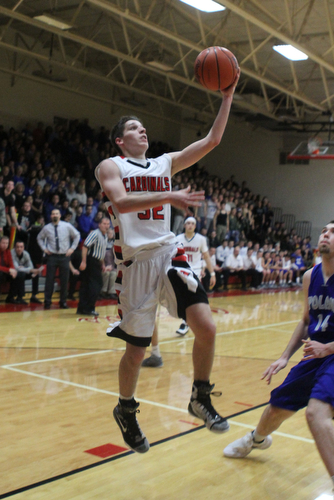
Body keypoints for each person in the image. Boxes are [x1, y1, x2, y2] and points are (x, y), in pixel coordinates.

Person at [95, 70, 239, 454]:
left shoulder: (164, 163)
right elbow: (121, 203)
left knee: (206, 326)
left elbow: (213, 140)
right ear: (120, 140)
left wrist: (227, 96)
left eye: (144, 128)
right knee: (136, 352)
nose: (143, 132)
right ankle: (126, 409)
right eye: (134, 129)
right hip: (136, 265)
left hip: (167, 252)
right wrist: (168, 197)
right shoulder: (111, 166)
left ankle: (200, 396)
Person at [223, 221, 334, 491]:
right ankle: (257, 439)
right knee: (276, 408)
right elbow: (306, 319)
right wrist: (285, 356)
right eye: (324, 231)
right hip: (313, 354)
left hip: (331, 353)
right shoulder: (311, 276)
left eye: (333, 233)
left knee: (315, 414)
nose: (326, 235)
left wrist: (329, 348)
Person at [142, 216, 216, 367]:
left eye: (192, 223)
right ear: (184, 225)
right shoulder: (177, 238)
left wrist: (211, 272)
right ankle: (184, 323)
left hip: (193, 273)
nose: (189, 225)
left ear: (195, 226)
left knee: (193, 303)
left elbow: (206, 256)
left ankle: (185, 323)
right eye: (187, 223)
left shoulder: (201, 239)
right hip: (179, 271)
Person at [37, 208, 80, 309]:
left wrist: (72, 248)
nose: (55, 215)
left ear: (60, 215)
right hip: (52, 256)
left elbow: (77, 235)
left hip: (64, 256)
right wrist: (44, 249)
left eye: (57, 213)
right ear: (51, 216)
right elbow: (39, 238)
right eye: (53, 214)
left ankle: (63, 302)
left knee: (64, 281)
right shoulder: (47, 228)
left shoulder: (67, 226)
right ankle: (47, 302)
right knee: (49, 280)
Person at [76, 217, 110, 316]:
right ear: (99, 224)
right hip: (90, 261)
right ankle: (89, 308)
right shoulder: (95, 233)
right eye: (104, 223)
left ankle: (82, 308)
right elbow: (85, 246)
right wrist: (83, 261)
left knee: (86, 285)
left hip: (96, 262)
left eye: (108, 224)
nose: (106, 226)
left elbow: (101, 253)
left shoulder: (105, 236)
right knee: (95, 286)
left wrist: (102, 264)